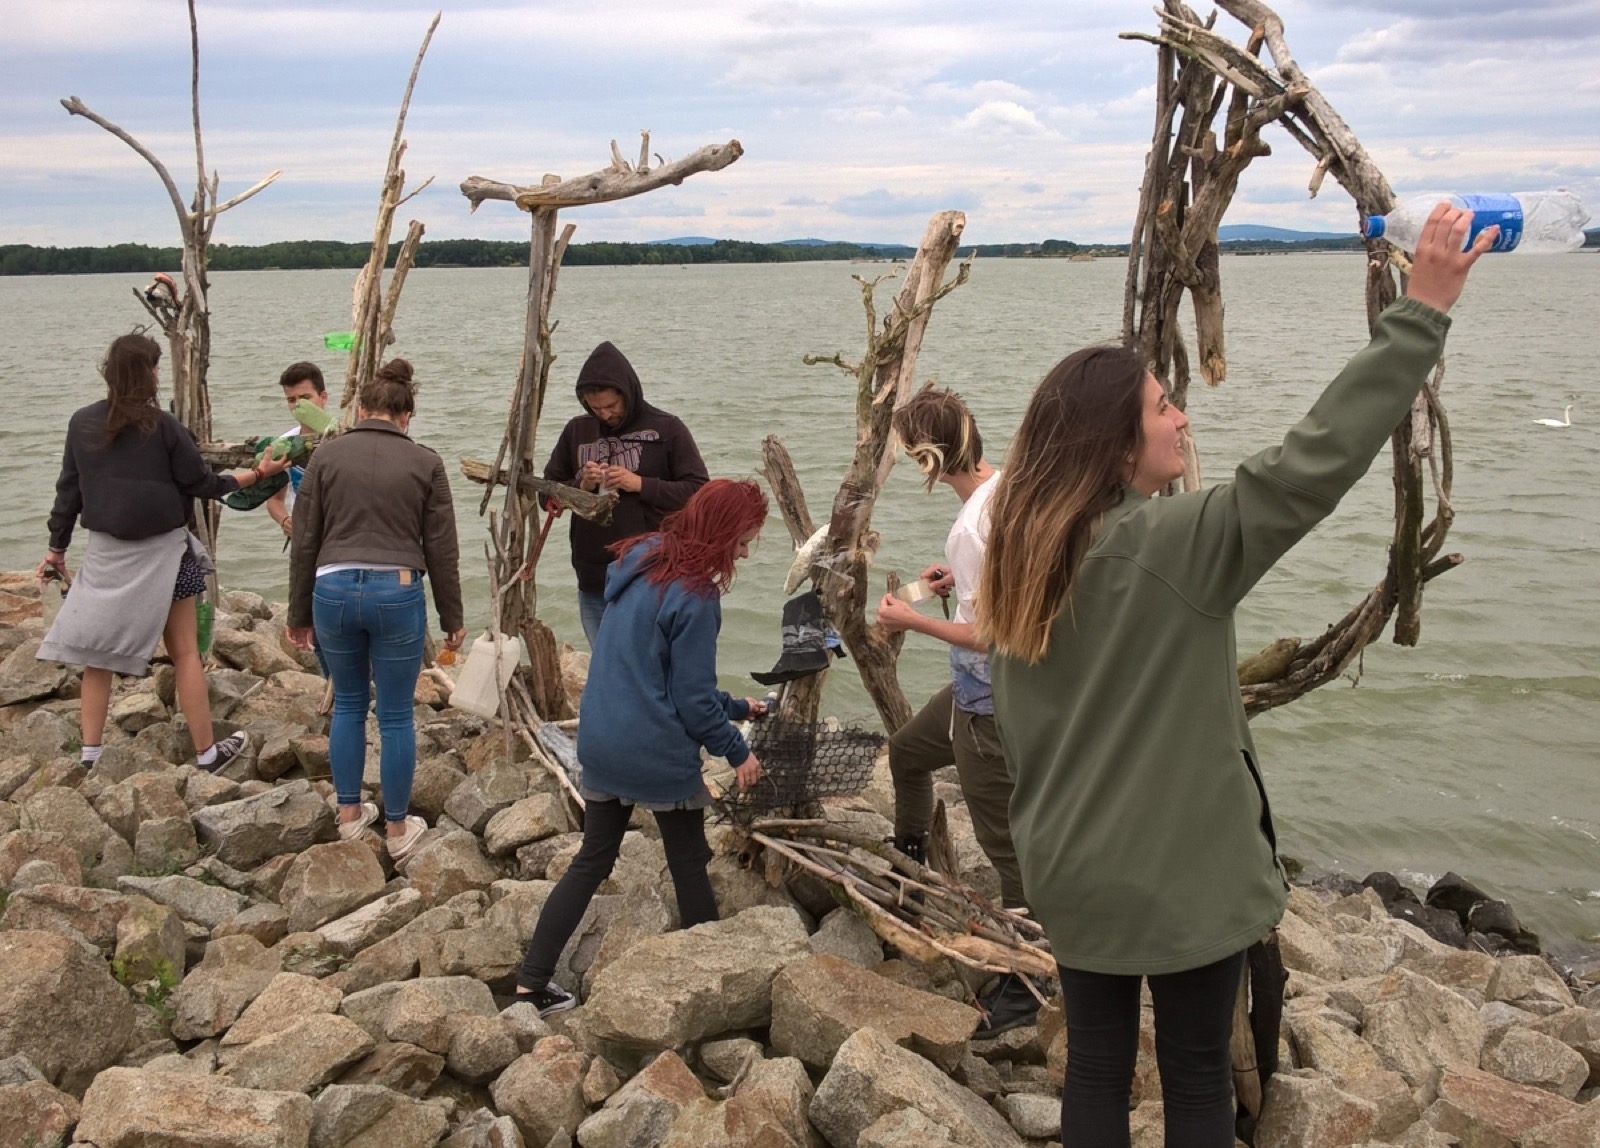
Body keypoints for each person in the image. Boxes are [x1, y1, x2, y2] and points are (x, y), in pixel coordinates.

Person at [981, 204, 1493, 1147]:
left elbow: (1017, 734)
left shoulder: (1020, 565)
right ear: (1116, 446)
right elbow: (1311, 463)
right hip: (1185, 881)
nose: (1181, 416)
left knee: (1095, 1068)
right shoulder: (1177, 544)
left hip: (1069, 871)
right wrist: (1419, 312)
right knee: (1195, 1079)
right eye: (1161, 407)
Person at [508, 478, 768, 1016]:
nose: (744, 554)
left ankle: (531, 985)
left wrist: (737, 707)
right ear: (721, 534)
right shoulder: (696, 596)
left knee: (591, 860)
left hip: (601, 740)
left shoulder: (641, 558)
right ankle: (712, 986)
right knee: (689, 861)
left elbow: (658, 677)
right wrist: (737, 752)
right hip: (654, 754)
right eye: (743, 541)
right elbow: (691, 702)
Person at [37, 331, 291, 773]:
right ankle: (207, 753)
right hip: (166, 556)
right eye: (156, 368)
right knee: (185, 652)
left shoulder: (82, 423)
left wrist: (56, 548)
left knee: (96, 656)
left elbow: (69, 492)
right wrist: (258, 473)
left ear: (110, 373)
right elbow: (203, 484)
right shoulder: (166, 428)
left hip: (106, 556)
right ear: (150, 374)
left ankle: (90, 757)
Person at [873, 383, 1039, 1037]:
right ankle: (911, 868)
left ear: (928, 458)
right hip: (985, 691)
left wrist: (910, 618)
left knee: (1004, 844)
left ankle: (1028, 978)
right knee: (908, 753)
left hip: (991, 704)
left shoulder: (971, 527)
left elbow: (995, 633)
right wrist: (953, 583)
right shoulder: (1006, 489)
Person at [287, 359, 465, 863]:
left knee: (348, 702)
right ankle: (398, 828)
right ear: (407, 415)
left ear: (361, 409)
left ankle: (349, 816)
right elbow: (441, 549)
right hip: (397, 591)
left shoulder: (325, 457)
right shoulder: (426, 463)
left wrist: (298, 613)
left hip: (332, 589)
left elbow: (305, 540)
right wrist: (452, 619)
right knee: (395, 713)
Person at [543, 341, 709, 647]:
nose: (605, 415)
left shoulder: (667, 429)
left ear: (627, 394)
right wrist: (582, 485)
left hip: (652, 573)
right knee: (605, 660)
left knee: (648, 660)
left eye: (611, 406)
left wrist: (640, 484)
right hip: (593, 574)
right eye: (596, 408)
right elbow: (547, 495)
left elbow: (699, 491)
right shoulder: (577, 430)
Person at [264, 361, 329, 542]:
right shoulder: (285, 444)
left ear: (323, 397)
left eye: (305, 398)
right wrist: (284, 520)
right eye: (291, 400)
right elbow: (274, 500)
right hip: (304, 538)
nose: (298, 405)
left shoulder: (344, 437)